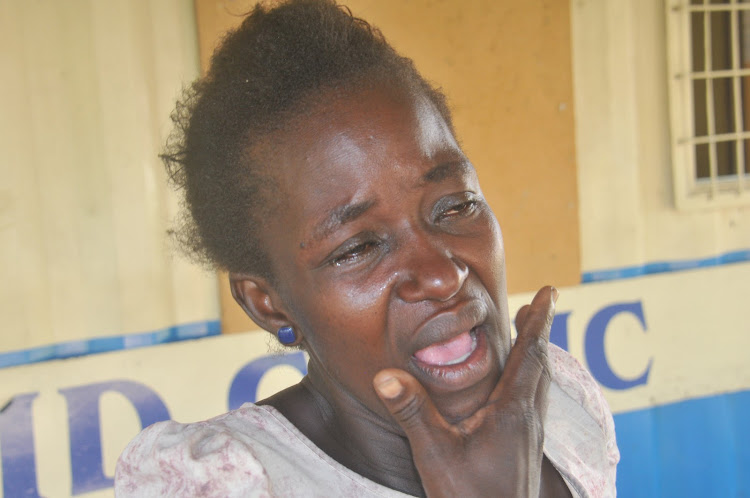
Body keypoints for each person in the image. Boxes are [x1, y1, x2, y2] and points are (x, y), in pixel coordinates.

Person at [114, 0, 618, 496]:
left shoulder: (562, 412)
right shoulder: (239, 483)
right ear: (268, 302)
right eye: (357, 248)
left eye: (455, 206)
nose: (442, 276)